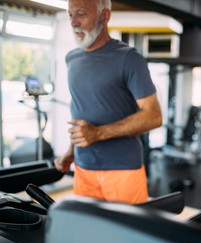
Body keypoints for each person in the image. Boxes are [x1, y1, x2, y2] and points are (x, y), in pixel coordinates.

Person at [54, 0, 162, 204]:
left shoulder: (129, 58)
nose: (74, 22)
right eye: (70, 15)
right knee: (90, 234)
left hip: (122, 170)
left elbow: (153, 116)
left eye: (81, 14)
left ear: (105, 16)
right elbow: (80, 113)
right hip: (83, 168)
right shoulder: (72, 59)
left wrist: (98, 133)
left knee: (126, 234)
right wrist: (70, 152)